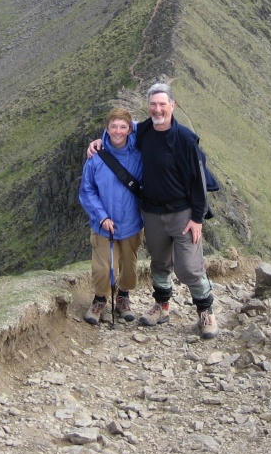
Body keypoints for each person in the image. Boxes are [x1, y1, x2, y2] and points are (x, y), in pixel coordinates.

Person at [89, 82, 218, 339]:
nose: (158, 109)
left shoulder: (185, 139)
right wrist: (98, 142)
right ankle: (162, 306)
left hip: (183, 213)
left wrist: (197, 218)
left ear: (172, 105)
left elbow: (198, 181)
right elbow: (119, 131)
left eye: (162, 104)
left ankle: (206, 312)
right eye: (153, 104)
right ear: (148, 107)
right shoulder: (144, 131)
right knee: (159, 264)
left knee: (189, 268)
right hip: (152, 212)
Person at [78, 108, 144, 325]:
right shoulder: (96, 157)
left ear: (129, 129)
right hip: (102, 225)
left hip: (132, 223)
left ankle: (123, 297)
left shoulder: (138, 155)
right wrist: (102, 217)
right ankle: (99, 300)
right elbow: (87, 190)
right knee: (103, 267)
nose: (118, 131)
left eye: (123, 127)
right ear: (107, 128)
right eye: (113, 126)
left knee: (129, 267)